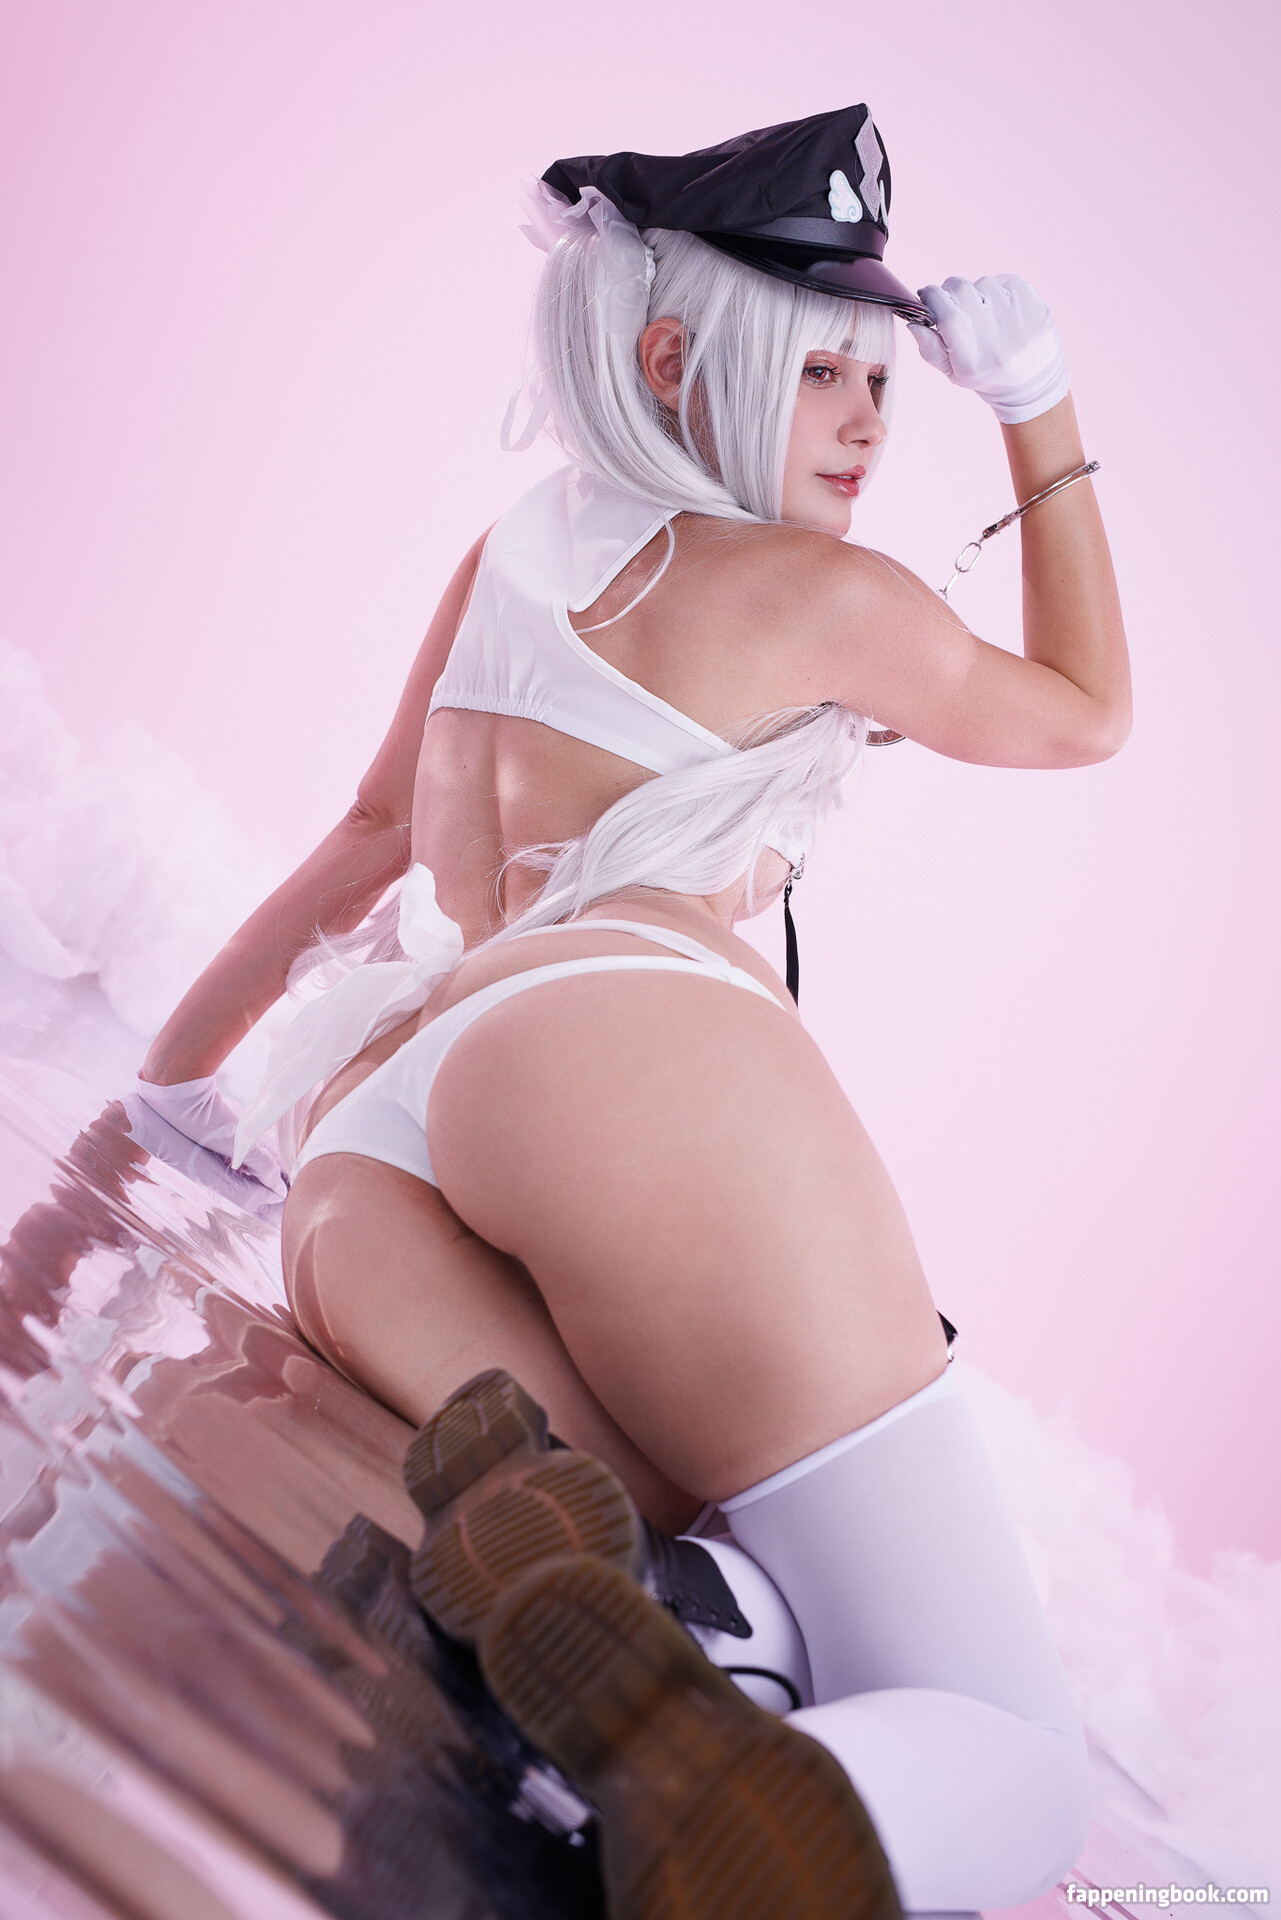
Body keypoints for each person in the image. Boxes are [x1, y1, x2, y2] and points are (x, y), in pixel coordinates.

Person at [137, 105, 1129, 1918]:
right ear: (674, 362)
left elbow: (365, 835)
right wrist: (1038, 406)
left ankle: (679, 1641)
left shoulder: (514, 543)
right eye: (817, 371)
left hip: (367, 1143)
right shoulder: (818, 596)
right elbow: (1082, 712)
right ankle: (724, 1788)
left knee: (729, 1554)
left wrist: (170, 1087)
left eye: (879, 383)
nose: (863, 424)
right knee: (1006, 1753)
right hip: (610, 1049)